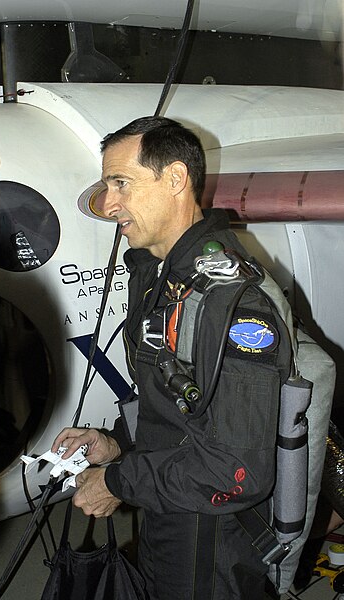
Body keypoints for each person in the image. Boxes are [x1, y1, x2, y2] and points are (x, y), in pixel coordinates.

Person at [52, 116, 292, 600]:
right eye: (106, 185)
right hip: (168, 512)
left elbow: (234, 471)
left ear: (176, 179)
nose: (107, 202)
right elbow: (180, 413)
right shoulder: (163, 279)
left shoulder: (235, 304)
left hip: (211, 541)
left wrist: (118, 482)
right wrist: (116, 442)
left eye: (121, 183)